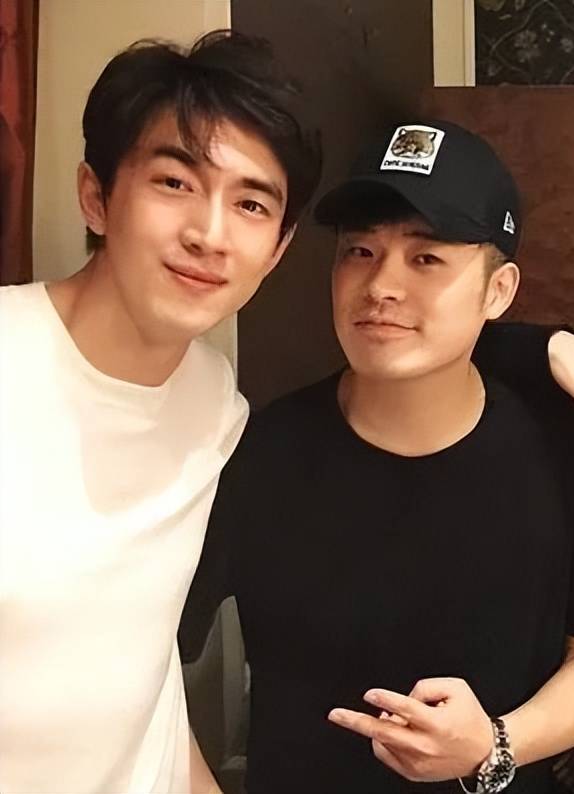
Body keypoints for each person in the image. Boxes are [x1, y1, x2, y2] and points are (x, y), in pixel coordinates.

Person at [180, 120, 574, 793]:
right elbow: (143, 661)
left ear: (498, 291)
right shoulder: (258, 453)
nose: (380, 286)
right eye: (360, 252)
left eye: (426, 259)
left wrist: (495, 744)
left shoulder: (571, 446)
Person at [0, 30, 321, 794]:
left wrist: (551, 348)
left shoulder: (214, 406)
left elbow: (136, 677)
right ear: (96, 195)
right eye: (175, 182)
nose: (209, 234)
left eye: (251, 203)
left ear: (278, 249)